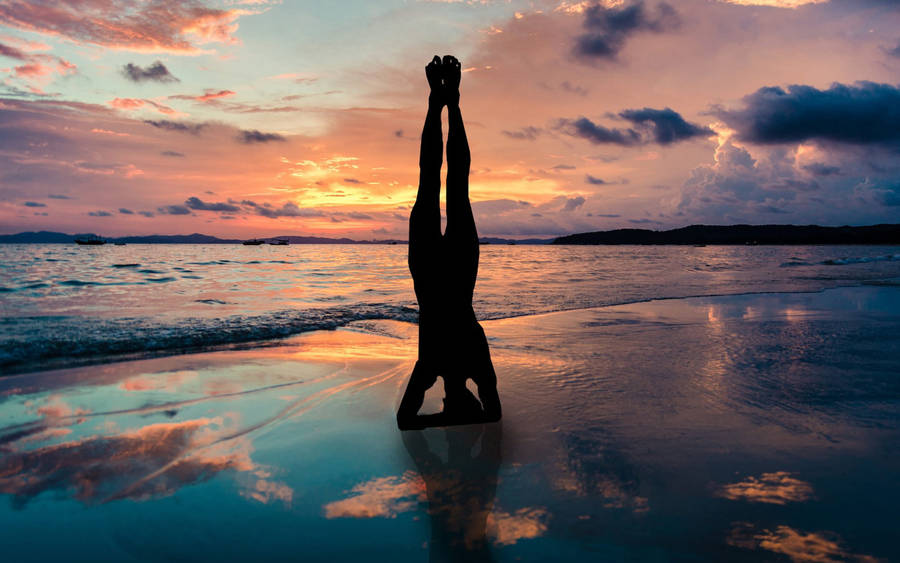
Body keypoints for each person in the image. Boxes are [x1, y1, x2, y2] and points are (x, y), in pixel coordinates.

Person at [397, 55, 501, 430]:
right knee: (441, 184)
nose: (442, 398)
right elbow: (407, 420)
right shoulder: (430, 367)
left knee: (451, 184)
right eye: (448, 401)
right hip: (434, 272)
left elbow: (492, 414)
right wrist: (448, 417)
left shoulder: (473, 363)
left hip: (450, 270)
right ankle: (443, 102)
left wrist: (454, 416)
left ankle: (445, 102)